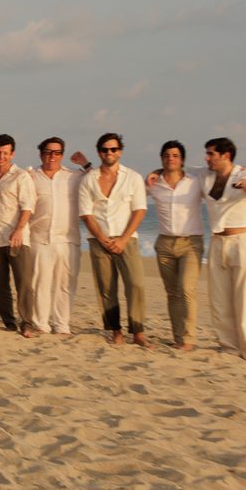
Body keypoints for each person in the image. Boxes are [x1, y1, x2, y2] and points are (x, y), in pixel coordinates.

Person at [168, 138, 246, 361]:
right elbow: (179, 169)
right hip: (217, 242)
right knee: (219, 299)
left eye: (211, 154)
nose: (207, 158)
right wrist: (156, 171)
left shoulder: (245, 174)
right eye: (207, 154)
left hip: (243, 241)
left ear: (226, 155)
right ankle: (229, 346)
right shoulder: (205, 175)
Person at [79, 132, 150, 347]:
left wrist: (123, 239)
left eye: (113, 149)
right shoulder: (88, 179)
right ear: (99, 151)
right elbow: (86, 213)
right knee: (106, 288)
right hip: (99, 240)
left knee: (136, 285)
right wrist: (101, 238)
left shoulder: (133, 177)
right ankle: (115, 331)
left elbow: (139, 210)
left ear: (120, 151)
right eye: (105, 149)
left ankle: (138, 332)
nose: (109, 153)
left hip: (126, 239)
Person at [146, 140, 205, 351]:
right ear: (162, 158)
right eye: (167, 155)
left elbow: (215, 174)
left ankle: (189, 339)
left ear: (182, 159)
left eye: (175, 155)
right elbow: (128, 195)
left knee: (186, 289)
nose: (171, 159)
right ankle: (178, 337)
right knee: (172, 292)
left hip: (191, 243)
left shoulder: (195, 180)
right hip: (164, 243)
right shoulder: (154, 183)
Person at [22, 137, 82, 338]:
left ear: (62, 155)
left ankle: (62, 324)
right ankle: (41, 324)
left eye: (56, 153)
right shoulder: (30, 176)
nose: (52, 156)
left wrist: (86, 163)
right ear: (41, 153)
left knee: (65, 285)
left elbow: (99, 180)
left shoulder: (74, 176)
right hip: (39, 237)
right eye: (48, 152)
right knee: (40, 283)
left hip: (68, 238)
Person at [0, 135, 37, 333]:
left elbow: (28, 206)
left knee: (23, 282)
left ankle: (27, 322)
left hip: (16, 236)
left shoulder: (21, 176)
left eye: (5, 153)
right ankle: (9, 322)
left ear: (12, 154)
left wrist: (19, 229)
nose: (1, 156)